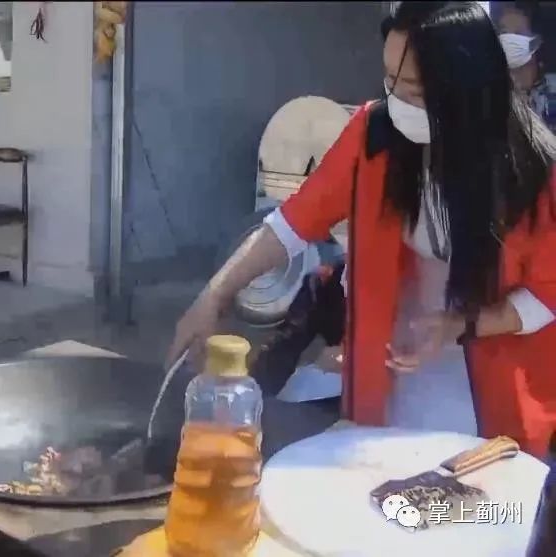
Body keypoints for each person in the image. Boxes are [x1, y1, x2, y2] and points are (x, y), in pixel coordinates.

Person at [168, 2, 556, 458]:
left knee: (475, 512)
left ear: (467, 89)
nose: (394, 102)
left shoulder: (533, 170)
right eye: (389, 80)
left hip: (493, 384)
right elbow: (293, 222)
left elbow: (546, 295)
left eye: (411, 89)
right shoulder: (374, 133)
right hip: (393, 366)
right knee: (387, 503)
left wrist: (460, 325)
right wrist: (214, 294)